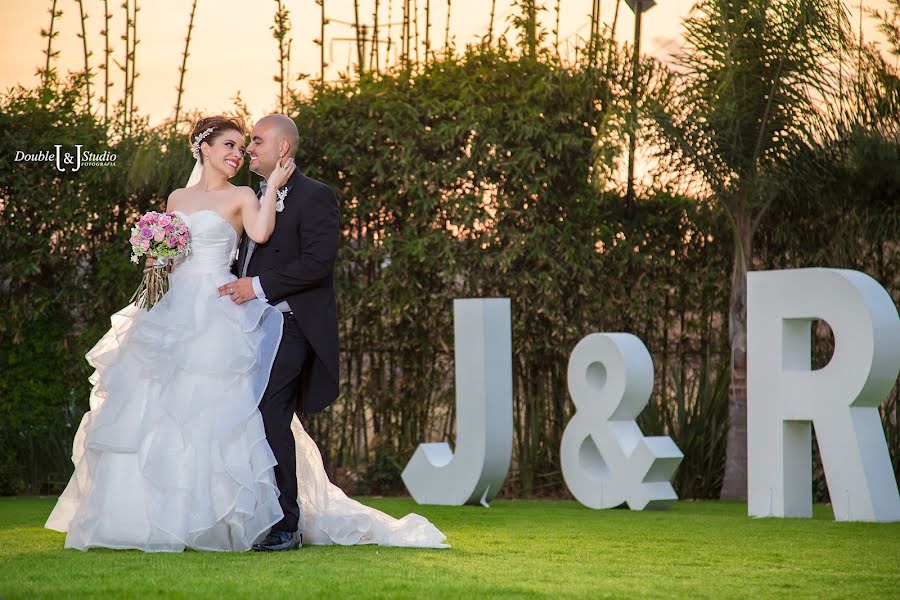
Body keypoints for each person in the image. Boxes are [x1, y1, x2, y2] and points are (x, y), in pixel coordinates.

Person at [45, 114, 447, 552]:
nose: (245, 151)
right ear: (204, 149)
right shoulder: (213, 194)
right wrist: (158, 268)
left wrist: (252, 286)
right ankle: (179, 516)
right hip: (210, 313)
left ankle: (284, 522)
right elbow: (216, 255)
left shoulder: (308, 196)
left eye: (252, 142)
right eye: (236, 145)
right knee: (186, 410)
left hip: (285, 322)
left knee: (260, 413)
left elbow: (316, 263)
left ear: (282, 149)